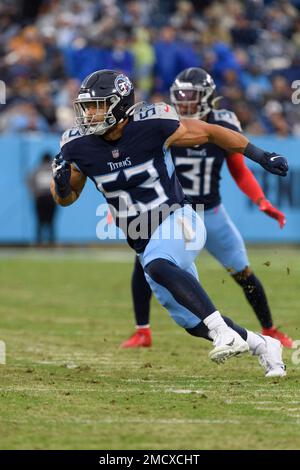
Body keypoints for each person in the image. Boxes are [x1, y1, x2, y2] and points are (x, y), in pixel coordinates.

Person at [50, 69, 288, 377]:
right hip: (142, 238)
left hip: (178, 218)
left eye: (98, 105)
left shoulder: (152, 125)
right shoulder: (77, 145)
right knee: (191, 322)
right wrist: (60, 185)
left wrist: (261, 155)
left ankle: (223, 332)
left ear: (120, 105)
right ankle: (263, 345)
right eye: (87, 106)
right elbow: (67, 198)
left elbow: (211, 131)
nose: (89, 114)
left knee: (158, 265)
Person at [122, 68, 293, 350]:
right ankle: (143, 331)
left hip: (210, 212)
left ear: (209, 98)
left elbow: (238, 169)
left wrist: (261, 200)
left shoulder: (223, 122)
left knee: (242, 271)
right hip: (170, 211)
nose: (186, 102)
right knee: (145, 263)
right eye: (181, 96)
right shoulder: (165, 123)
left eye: (192, 95)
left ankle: (269, 330)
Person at [28, 152, 57, 244]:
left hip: (40, 198)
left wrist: (34, 193)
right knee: (51, 221)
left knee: (40, 221)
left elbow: (29, 182)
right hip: (51, 198)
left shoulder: (37, 170)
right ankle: (51, 242)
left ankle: (39, 242)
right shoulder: (54, 170)